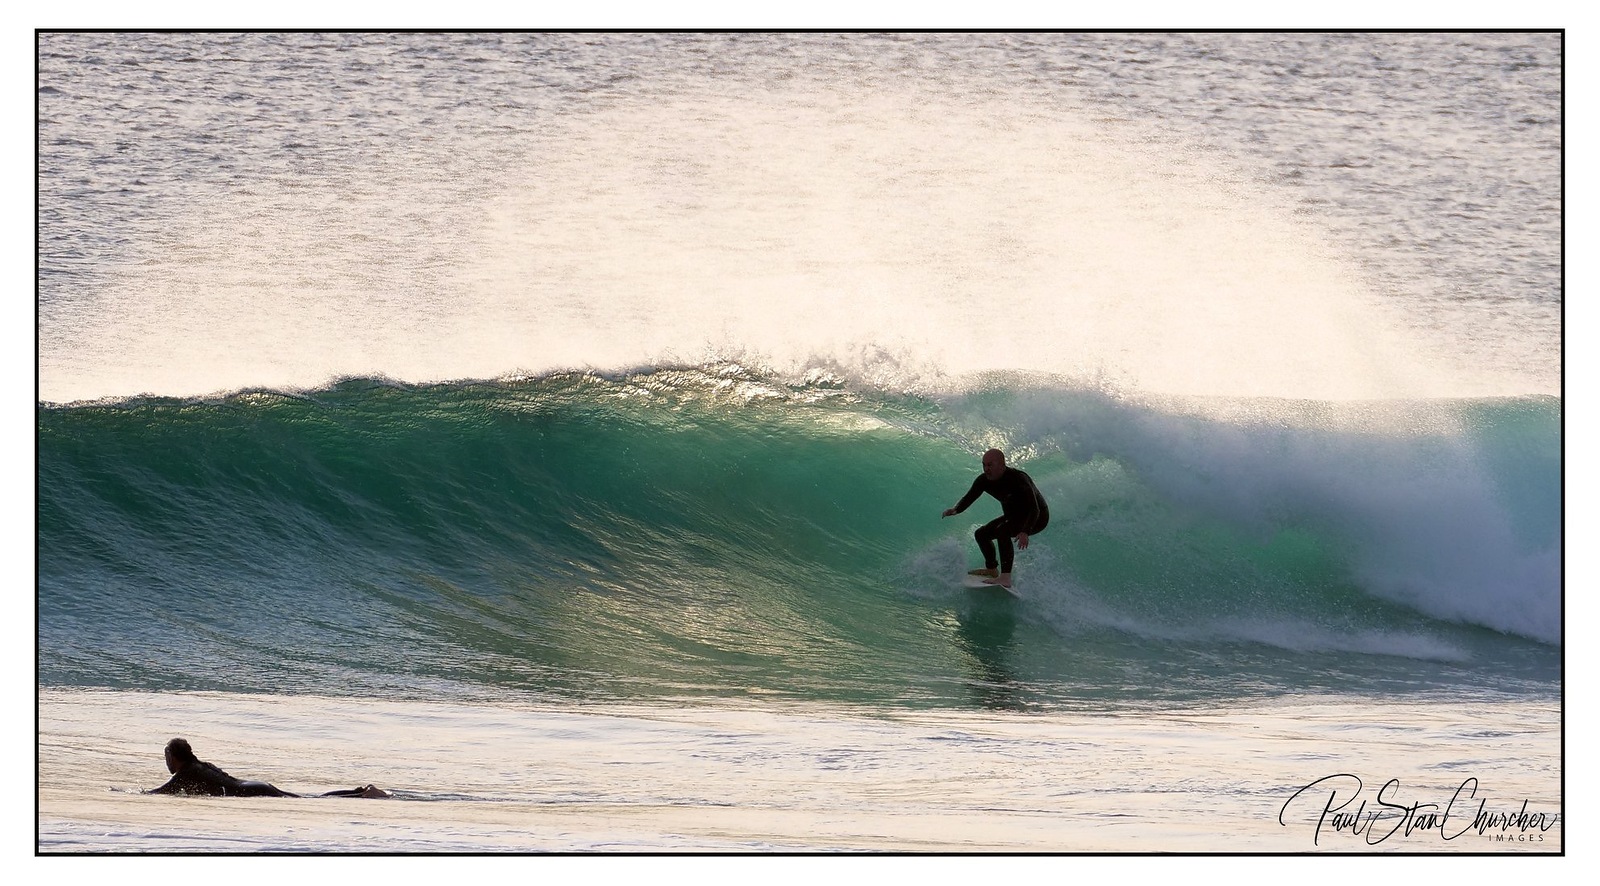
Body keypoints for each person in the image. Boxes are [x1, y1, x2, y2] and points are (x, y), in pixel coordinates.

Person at [942, 449, 1049, 588]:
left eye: (990, 465)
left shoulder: (1018, 479)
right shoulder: (984, 480)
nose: (986, 469)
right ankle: (992, 569)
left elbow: (1035, 508)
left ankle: (1005, 577)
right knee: (981, 534)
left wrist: (1025, 531)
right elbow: (970, 496)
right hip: (1013, 517)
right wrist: (956, 509)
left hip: (1038, 517)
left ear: (1002, 465)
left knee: (1002, 530)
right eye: (984, 465)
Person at [147, 737, 390, 799]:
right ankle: (360, 791)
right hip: (255, 786)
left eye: (166, 755)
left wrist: (131, 795)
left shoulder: (187, 772)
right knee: (308, 798)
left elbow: (160, 792)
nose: (166, 761)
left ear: (172, 756)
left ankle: (364, 794)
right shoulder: (199, 766)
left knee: (310, 799)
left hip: (253, 791)